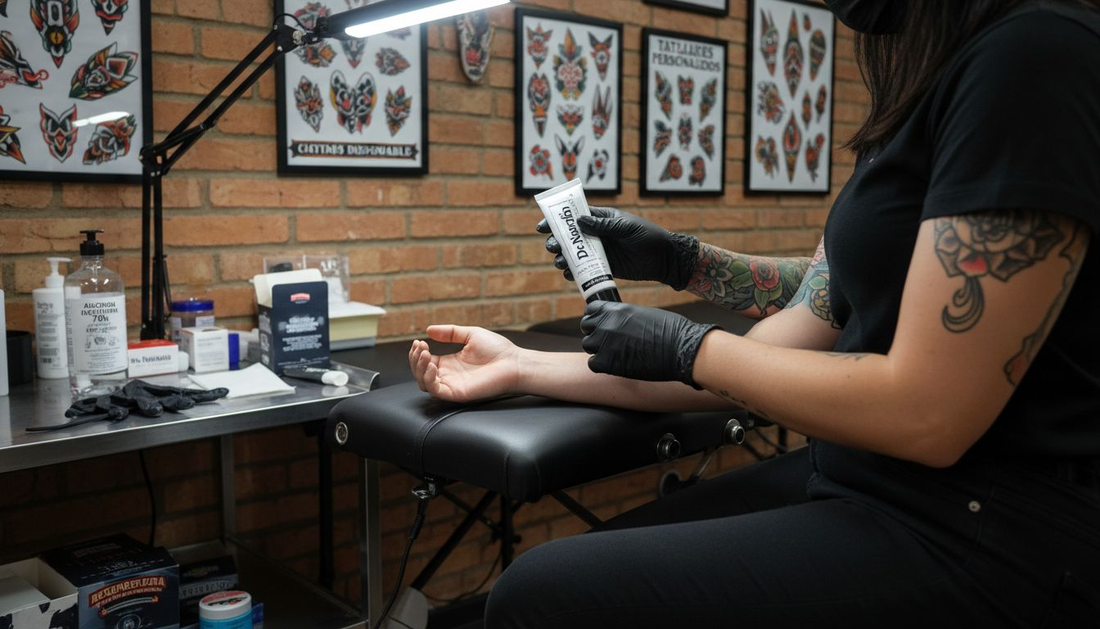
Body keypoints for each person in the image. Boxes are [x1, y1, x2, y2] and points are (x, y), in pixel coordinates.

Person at [408, 0, 1100, 626]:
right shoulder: (934, 87)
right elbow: (791, 327)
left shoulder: (1035, 58)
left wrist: (689, 345)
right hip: (866, 484)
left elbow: (929, 413)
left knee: (543, 595)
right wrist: (523, 363)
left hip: (990, 534)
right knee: (577, 565)